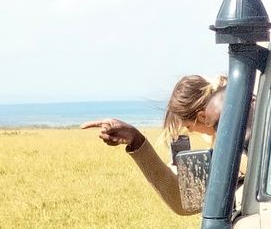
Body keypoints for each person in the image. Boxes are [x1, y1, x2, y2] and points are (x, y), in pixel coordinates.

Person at [81, 75, 227, 216]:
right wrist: (136, 140)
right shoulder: (237, 139)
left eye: (188, 126)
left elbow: (187, 201)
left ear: (202, 117)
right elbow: (185, 199)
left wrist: (137, 140)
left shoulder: (231, 153)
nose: (192, 132)